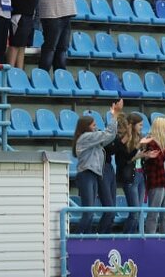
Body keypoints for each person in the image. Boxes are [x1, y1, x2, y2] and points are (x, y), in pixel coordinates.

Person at [73, 98, 124, 234]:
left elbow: (109, 137)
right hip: (86, 175)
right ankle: (77, 239)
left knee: (91, 212)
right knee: (88, 212)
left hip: (93, 174)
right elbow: (108, 134)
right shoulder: (86, 137)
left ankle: (87, 238)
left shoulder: (91, 139)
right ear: (85, 127)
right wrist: (114, 115)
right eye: (93, 125)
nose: (95, 127)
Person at [105, 111, 144, 234]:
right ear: (132, 125)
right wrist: (137, 152)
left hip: (141, 175)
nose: (142, 127)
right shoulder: (122, 140)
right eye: (140, 125)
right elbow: (122, 162)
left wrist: (146, 155)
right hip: (129, 177)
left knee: (139, 211)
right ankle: (127, 236)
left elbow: (140, 158)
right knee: (135, 212)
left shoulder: (140, 138)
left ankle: (133, 236)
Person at [140, 115, 165, 235]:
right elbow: (158, 161)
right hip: (157, 178)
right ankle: (150, 237)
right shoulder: (150, 142)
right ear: (160, 127)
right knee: (154, 212)